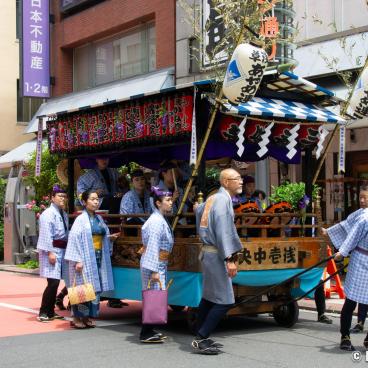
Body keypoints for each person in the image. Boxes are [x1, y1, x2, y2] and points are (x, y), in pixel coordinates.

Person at [192, 168, 243, 355]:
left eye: (240, 178)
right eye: (236, 179)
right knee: (225, 300)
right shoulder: (222, 200)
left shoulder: (213, 198)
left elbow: (198, 211)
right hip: (217, 254)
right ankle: (201, 337)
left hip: (208, 252)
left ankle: (200, 334)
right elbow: (223, 231)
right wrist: (229, 258)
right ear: (225, 182)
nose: (241, 181)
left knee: (209, 297)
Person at [322, 185, 368, 351]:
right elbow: (350, 230)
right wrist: (342, 251)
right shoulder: (364, 217)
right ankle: (345, 336)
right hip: (360, 259)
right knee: (351, 300)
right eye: (361, 197)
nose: (362, 200)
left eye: (365, 197)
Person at [65, 189, 118, 329]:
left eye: (97, 199)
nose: (96, 201)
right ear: (84, 202)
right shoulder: (80, 220)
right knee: (82, 287)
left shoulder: (99, 218)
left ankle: (88, 316)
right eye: (92, 199)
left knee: (93, 287)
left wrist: (109, 238)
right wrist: (77, 260)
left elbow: (104, 234)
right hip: (84, 257)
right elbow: (74, 239)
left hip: (98, 256)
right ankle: (77, 317)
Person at [139, 186, 174, 343]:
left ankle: (150, 328)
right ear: (158, 203)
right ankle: (145, 332)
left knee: (156, 295)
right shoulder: (155, 222)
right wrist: (154, 269)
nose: (171, 202)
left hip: (159, 261)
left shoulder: (159, 219)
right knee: (153, 296)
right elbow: (153, 245)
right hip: (154, 263)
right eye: (167, 200)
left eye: (171, 199)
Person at [37, 185, 69, 322]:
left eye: (64, 196)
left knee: (56, 281)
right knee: (53, 282)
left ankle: (50, 311)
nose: (63, 199)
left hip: (62, 249)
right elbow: (46, 234)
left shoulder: (63, 213)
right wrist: (50, 252)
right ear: (52, 198)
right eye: (60, 196)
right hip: (52, 249)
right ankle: (44, 311)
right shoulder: (48, 214)